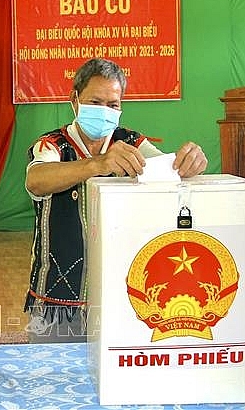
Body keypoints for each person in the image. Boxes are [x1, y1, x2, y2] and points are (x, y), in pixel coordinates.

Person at [23, 58, 208, 343]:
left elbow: (170, 173)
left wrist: (190, 164)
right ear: (74, 101)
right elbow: (36, 179)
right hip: (56, 300)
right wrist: (97, 164)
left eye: (112, 105)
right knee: (54, 368)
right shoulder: (52, 145)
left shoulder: (131, 143)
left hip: (119, 299)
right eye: (95, 102)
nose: (104, 112)